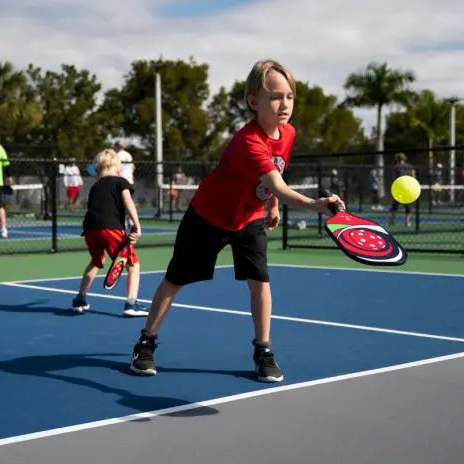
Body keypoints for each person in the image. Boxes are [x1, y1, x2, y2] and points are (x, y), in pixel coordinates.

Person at [128, 59, 344, 383]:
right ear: (253, 102)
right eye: (274, 97)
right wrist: (315, 204)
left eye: (289, 96)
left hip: (250, 218)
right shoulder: (248, 142)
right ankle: (146, 342)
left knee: (261, 283)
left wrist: (270, 206)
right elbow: (279, 185)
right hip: (208, 217)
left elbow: (276, 172)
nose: (284, 104)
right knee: (175, 280)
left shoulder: (288, 133)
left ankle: (264, 350)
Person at [72, 148, 148, 317]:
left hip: (91, 230)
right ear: (117, 166)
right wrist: (137, 225)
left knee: (96, 261)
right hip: (111, 228)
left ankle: (80, 298)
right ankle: (131, 304)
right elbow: (128, 202)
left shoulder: (95, 187)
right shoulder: (120, 182)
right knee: (133, 264)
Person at [388, 153, 416, 227]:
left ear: (397, 159)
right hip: (408, 188)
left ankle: (392, 220)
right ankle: (407, 222)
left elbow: (394, 179)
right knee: (408, 206)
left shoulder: (396, 167)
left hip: (400, 188)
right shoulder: (410, 166)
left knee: (395, 205)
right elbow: (413, 177)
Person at [114, 141, 135, 230]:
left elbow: (115, 168)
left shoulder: (116, 155)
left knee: (119, 203)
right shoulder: (129, 155)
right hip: (129, 181)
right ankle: (130, 220)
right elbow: (133, 168)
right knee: (129, 202)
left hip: (120, 181)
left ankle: (123, 221)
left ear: (117, 146)